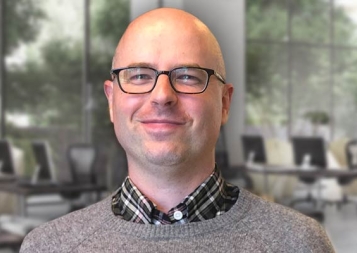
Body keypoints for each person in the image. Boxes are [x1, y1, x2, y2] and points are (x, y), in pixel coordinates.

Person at [20, 7, 335, 253]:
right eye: (140, 76)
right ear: (112, 101)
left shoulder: (299, 243)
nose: (161, 96)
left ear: (224, 103)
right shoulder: (48, 246)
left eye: (187, 76)